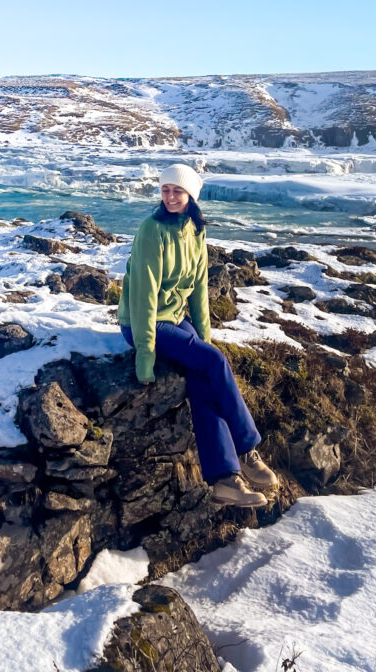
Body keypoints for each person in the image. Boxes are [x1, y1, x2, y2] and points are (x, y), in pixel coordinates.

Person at [118, 163, 278, 508]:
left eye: (177, 191)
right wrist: (145, 356)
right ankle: (247, 449)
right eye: (165, 190)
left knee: (203, 373)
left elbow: (199, 291)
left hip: (175, 318)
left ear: (191, 195)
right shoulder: (152, 230)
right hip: (144, 321)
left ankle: (224, 480)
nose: (170, 197)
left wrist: (204, 339)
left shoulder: (195, 230)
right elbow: (144, 295)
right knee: (214, 362)